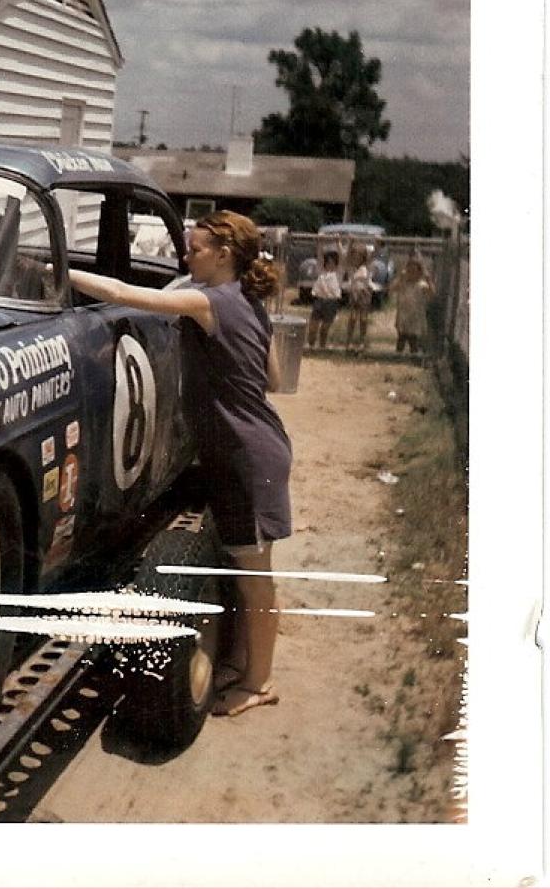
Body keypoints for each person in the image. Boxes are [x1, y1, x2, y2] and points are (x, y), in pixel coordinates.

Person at [61, 210, 292, 717]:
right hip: (252, 447)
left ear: (223, 255)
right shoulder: (248, 302)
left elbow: (122, 293)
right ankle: (241, 664)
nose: (187, 256)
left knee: (256, 577)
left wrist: (57, 269)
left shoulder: (209, 301)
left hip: (245, 456)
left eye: (195, 249)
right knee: (242, 564)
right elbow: (273, 379)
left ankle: (260, 683)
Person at [390, 256, 434, 354]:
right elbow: (392, 289)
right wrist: (400, 277)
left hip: (415, 316)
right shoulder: (403, 283)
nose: (412, 274)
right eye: (410, 271)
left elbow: (431, 293)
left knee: (413, 339)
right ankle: (399, 355)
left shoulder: (421, 285)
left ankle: (414, 355)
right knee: (401, 337)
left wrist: (428, 280)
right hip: (403, 314)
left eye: (415, 271)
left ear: (419, 273)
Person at [306, 251, 342, 349]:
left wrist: (338, 243)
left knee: (325, 328)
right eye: (328, 262)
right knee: (313, 326)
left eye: (332, 262)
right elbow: (319, 254)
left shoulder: (338, 273)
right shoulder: (321, 273)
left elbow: (342, 256)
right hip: (319, 300)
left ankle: (322, 346)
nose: (330, 265)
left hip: (331, 302)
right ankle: (311, 345)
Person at [344, 243, 373, 352]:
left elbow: (373, 255)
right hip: (354, 293)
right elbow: (346, 258)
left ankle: (362, 342)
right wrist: (351, 242)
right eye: (355, 255)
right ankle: (349, 342)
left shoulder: (366, 268)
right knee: (352, 318)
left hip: (364, 293)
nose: (357, 258)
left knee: (363, 318)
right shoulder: (351, 269)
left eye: (359, 255)